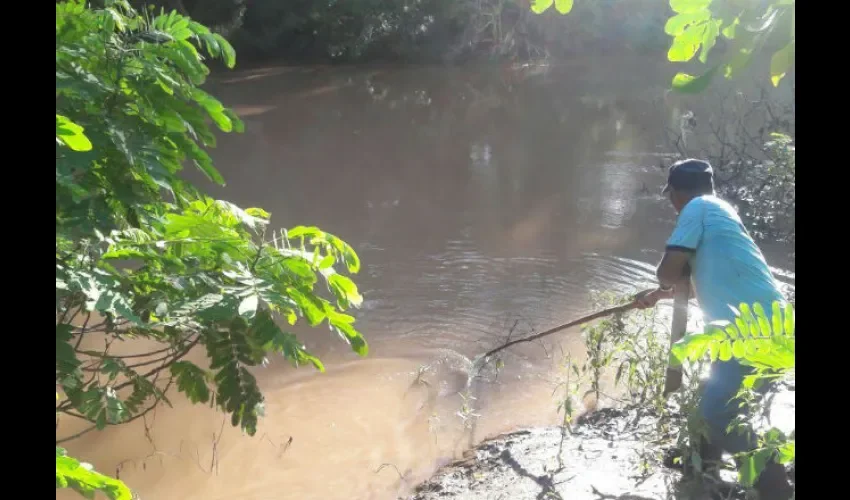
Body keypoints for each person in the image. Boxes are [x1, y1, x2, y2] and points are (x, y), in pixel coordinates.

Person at [635, 159, 793, 499]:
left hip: (749, 330)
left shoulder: (696, 208)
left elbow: (668, 271)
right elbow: (693, 282)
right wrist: (659, 297)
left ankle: (775, 485)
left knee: (720, 413)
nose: (673, 204)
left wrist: (662, 283)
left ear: (676, 193)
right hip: (771, 325)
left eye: (671, 196)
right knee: (715, 391)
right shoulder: (722, 212)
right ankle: (701, 465)